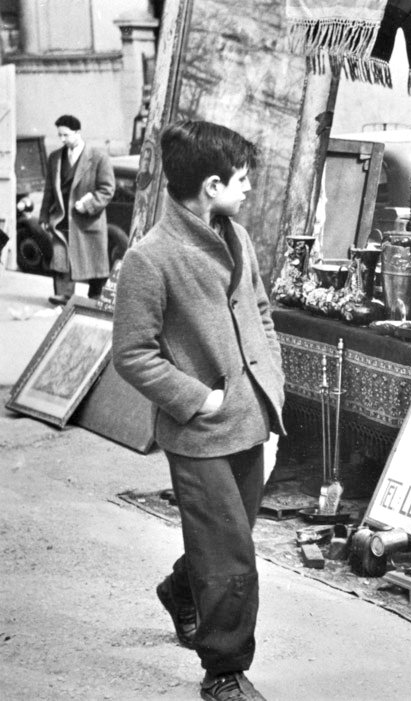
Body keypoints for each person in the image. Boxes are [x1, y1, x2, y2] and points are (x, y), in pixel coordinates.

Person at [112, 121, 285, 701]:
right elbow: (132, 354)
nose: (249, 191)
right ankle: (224, 672)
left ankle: (182, 591)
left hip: (250, 419)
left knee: (228, 537)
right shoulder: (150, 258)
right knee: (230, 554)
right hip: (200, 431)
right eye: (242, 181)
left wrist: (271, 388)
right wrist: (196, 398)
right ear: (211, 185)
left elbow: (260, 312)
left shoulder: (238, 237)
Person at [38, 114, 115, 305]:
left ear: (78, 133)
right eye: (60, 136)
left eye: (66, 135)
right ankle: (64, 294)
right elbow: (49, 189)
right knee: (61, 255)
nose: (62, 139)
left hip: (88, 219)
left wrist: (88, 204)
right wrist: (44, 215)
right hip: (61, 216)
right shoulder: (55, 157)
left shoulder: (98, 157)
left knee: (94, 258)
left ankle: (95, 295)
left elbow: (107, 189)